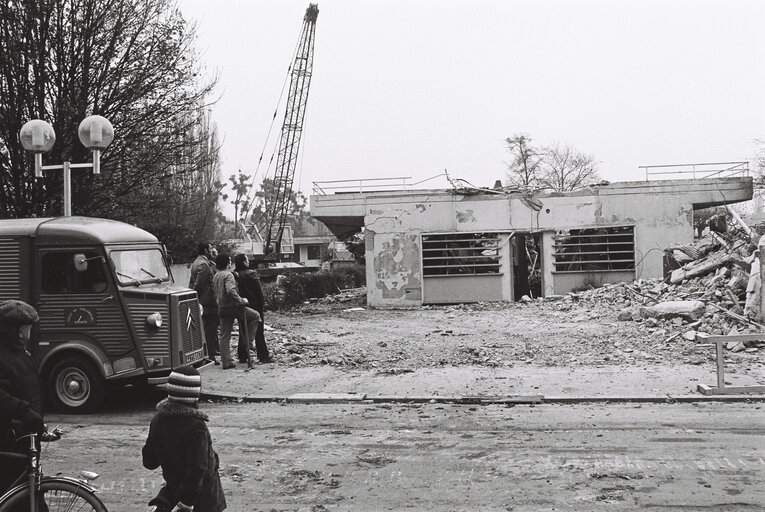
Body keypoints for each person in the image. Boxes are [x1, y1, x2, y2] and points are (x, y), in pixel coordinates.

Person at [142, 366, 226, 512]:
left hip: (174, 490)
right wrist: (186, 504)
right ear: (195, 394)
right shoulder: (196, 426)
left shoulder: (158, 420)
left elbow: (149, 462)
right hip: (202, 499)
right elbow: (198, 468)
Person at [0, 300, 46, 493]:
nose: (30, 333)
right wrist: (26, 413)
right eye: (28, 328)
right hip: (10, 443)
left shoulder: (21, 353)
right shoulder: (4, 357)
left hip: (26, 439)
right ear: (19, 332)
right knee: (17, 495)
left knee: (30, 492)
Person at [212, 253, 260, 369]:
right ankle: (248, 343)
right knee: (255, 316)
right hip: (232, 307)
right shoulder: (228, 275)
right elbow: (230, 290)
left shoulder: (216, 275)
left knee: (224, 335)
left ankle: (226, 361)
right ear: (227, 263)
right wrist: (241, 300)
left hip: (221, 307)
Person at [233, 254, 272, 363]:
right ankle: (263, 355)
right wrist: (262, 305)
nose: (248, 261)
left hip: (242, 306)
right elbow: (259, 293)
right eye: (247, 260)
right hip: (255, 306)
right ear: (244, 262)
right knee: (259, 332)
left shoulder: (235, 275)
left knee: (243, 330)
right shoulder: (252, 274)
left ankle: (242, 355)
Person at [190, 243, 220, 364]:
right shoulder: (204, 264)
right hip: (208, 303)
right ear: (205, 250)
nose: (212, 249)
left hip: (204, 302)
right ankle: (209, 357)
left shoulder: (197, 262)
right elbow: (199, 284)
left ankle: (211, 354)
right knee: (210, 329)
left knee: (208, 328)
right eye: (210, 248)